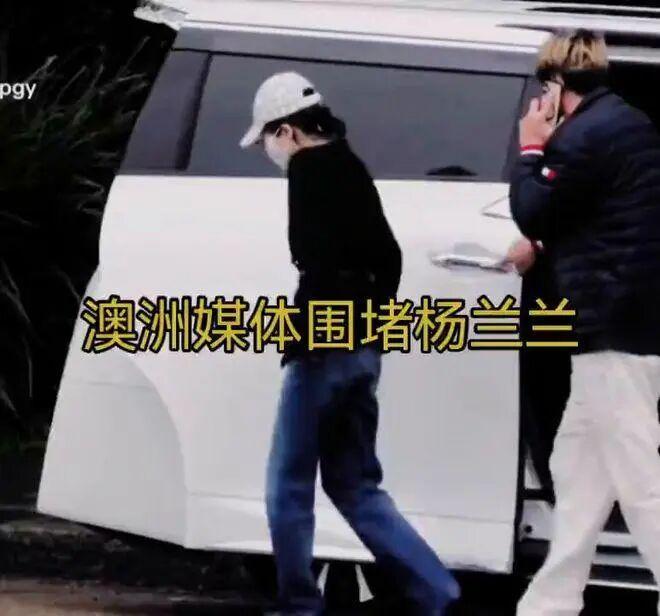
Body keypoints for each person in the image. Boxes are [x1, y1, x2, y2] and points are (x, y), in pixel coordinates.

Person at [239, 72, 460, 616]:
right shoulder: (351, 164)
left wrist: (308, 336)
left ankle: (299, 603)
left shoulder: (307, 170)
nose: (269, 150)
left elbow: (316, 264)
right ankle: (438, 593)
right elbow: (390, 260)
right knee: (356, 484)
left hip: (322, 350)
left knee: (288, 483)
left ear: (287, 130)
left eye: (268, 138)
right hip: (364, 352)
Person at [509, 30, 660, 615]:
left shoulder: (582, 136)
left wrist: (531, 148)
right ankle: (550, 601)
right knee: (577, 469)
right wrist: (546, 245)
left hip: (609, 326)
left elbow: (534, 207)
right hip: (635, 321)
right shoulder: (630, 124)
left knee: (640, 480)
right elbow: (607, 214)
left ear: (555, 85)